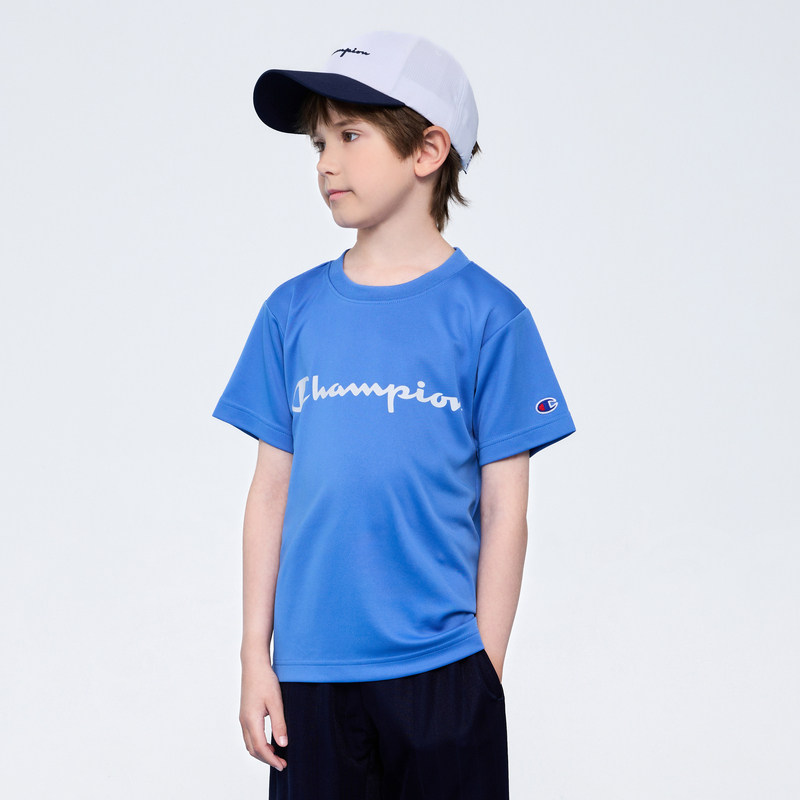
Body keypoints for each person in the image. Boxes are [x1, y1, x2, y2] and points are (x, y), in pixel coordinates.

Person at [212, 30, 576, 800]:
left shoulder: (490, 317)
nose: (325, 163)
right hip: (310, 677)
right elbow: (270, 493)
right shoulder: (291, 312)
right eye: (318, 143)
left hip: (443, 674)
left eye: (350, 135)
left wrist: (483, 672)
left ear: (428, 150)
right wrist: (254, 656)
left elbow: (506, 510)